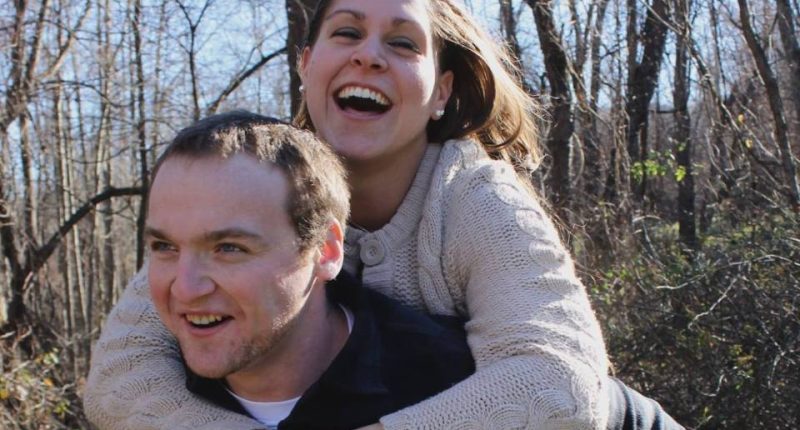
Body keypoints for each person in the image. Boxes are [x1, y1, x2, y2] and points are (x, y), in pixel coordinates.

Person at [85, 0, 679, 428]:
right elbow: (120, 377)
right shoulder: (259, 188)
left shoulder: (477, 198)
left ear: (441, 91)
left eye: (402, 43)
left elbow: (559, 387)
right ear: (306, 65)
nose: (368, 56)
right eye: (347, 32)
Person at [138, 112, 475, 430]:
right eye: (165, 247)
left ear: (326, 250)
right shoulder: (144, 390)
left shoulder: (450, 382)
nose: (186, 289)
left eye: (229, 248)